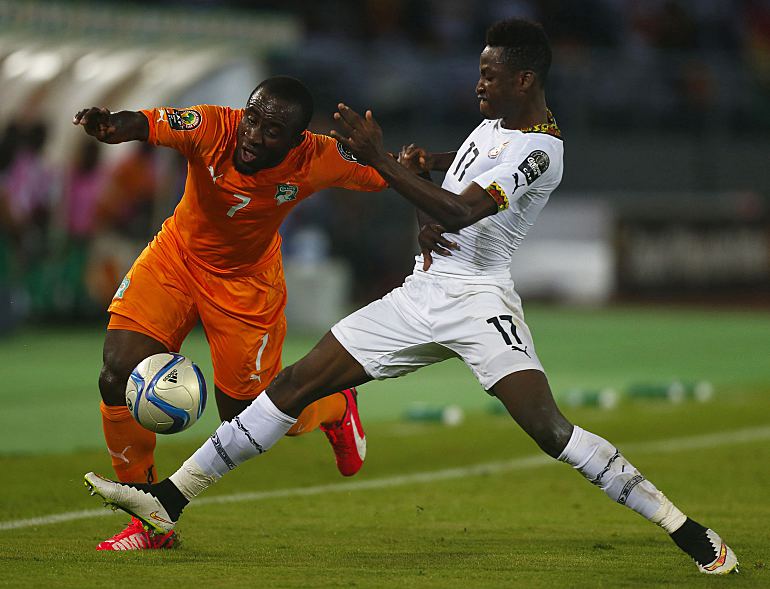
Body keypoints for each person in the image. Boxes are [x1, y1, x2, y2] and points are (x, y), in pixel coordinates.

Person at [84, 20, 738, 574]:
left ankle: (685, 529)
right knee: (290, 387)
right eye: (479, 71)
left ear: (524, 80)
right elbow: (456, 180)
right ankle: (168, 500)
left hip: (480, 303)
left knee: (550, 430)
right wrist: (427, 173)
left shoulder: (542, 150)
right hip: (421, 293)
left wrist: (383, 160)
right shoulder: (494, 126)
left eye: (489, 74)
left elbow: (461, 210)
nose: (478, 83)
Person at [74, 76, 387, 550]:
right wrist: (112, 125)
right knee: (117, 372)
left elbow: (392, 172)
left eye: (272, 130)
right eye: (252, 119)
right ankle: (149, 522)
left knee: (249, 415)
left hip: (246, 286)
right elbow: (146, 123)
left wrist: (454, 165)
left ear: (297, 139)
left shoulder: (317, 157)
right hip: (176, 257)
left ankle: (335, 406)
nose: (253, 135)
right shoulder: (213, 126)